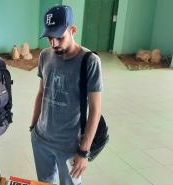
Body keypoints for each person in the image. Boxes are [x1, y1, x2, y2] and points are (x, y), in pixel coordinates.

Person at [30, 5, 103, 185]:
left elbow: (95, 110)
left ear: (73, 30)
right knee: (44, 183)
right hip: (41, 139)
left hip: (70, 146)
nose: (54, 44)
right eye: (49, 38)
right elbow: (41, 93)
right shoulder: (45, 56)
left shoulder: (90, 62)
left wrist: (84, 152)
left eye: (59, 37)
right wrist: (33, 127)